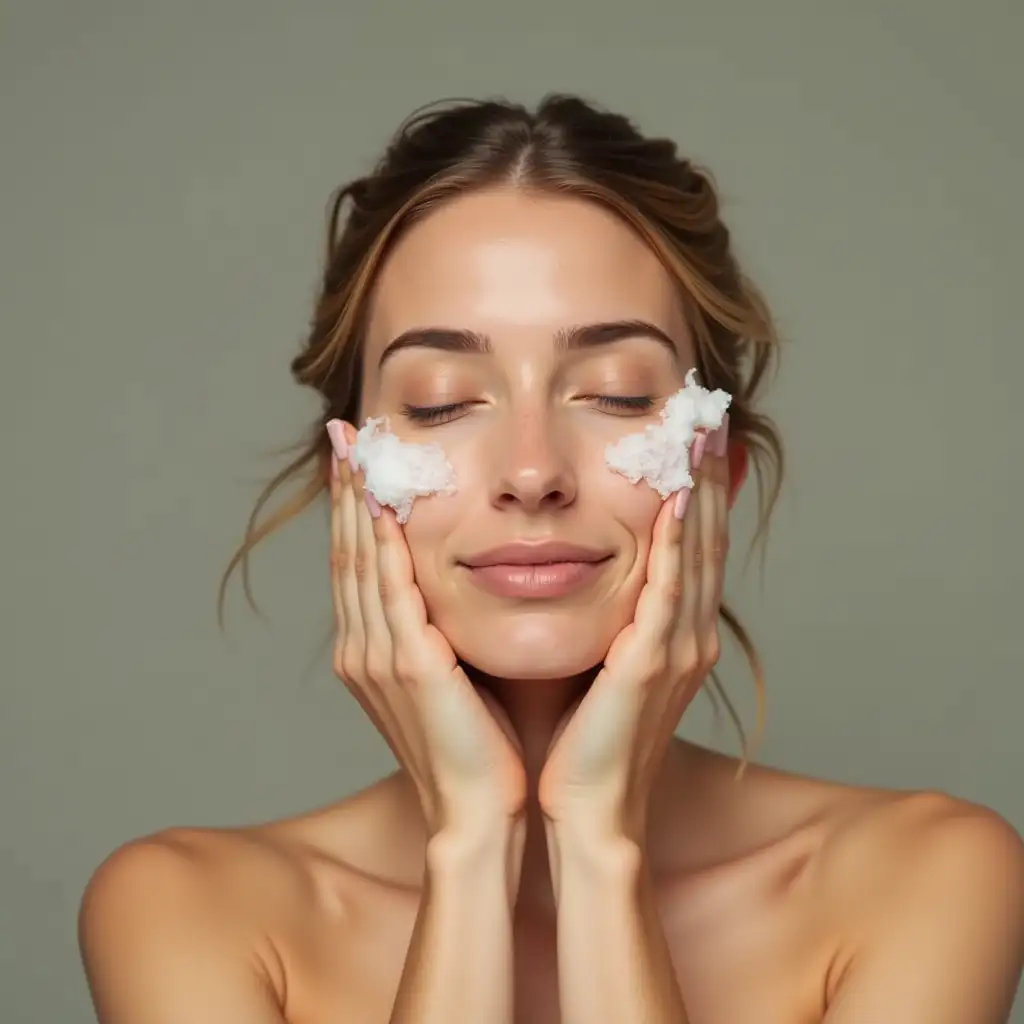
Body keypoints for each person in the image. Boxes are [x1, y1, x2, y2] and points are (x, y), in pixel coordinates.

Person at [78, 94, 1024, 1023]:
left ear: (719, 472)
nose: (532, 472)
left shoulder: (930, 880)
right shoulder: (189, 915)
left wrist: (601, 844)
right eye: (443, 400)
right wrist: (469, 844)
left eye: (615, 394)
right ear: (350, 480)